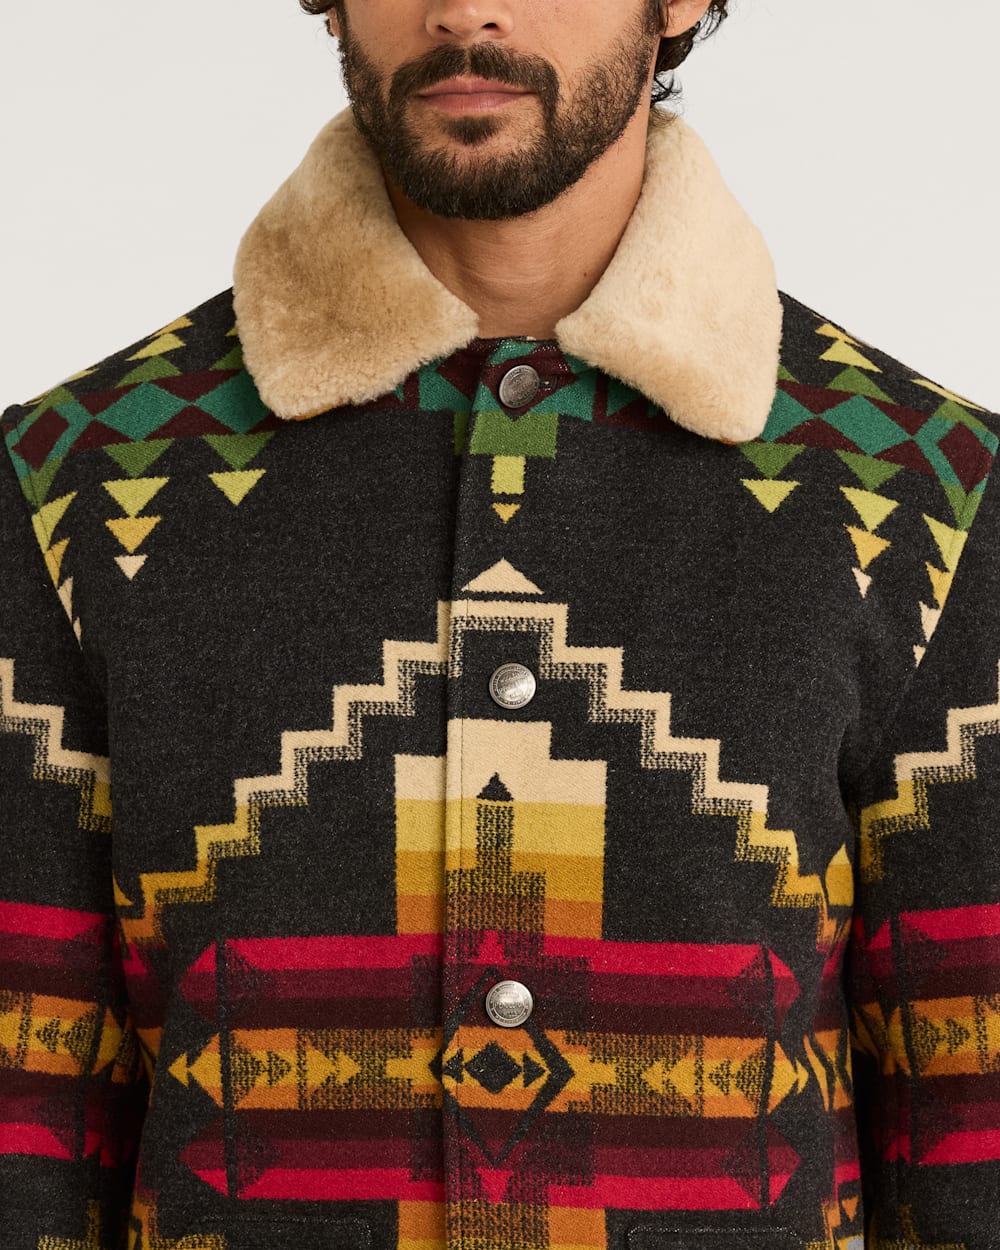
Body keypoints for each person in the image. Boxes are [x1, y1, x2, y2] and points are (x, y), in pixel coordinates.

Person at [1, 2, 997, 1247]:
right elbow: (28, 1109)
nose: (465, 9)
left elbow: (970, 1118)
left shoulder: (928, 496)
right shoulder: (77, 484)